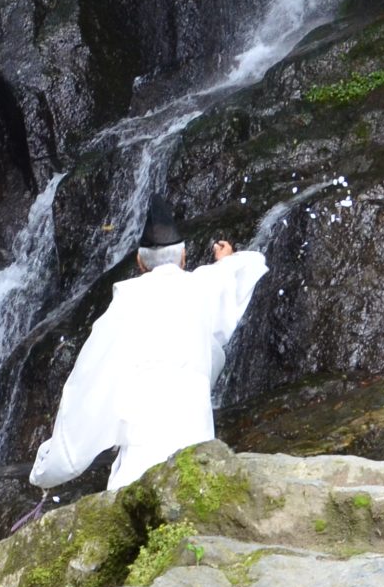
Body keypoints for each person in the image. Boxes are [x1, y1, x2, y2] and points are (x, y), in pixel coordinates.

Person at [27, 204, 270, 492]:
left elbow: (87, 385)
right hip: (196, 444)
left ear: (140, 263)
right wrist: (224, 262)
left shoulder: (124, 306)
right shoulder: (201, 287)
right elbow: (247, 266)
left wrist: (47, 470)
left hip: (142, 454)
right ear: (183, 257)